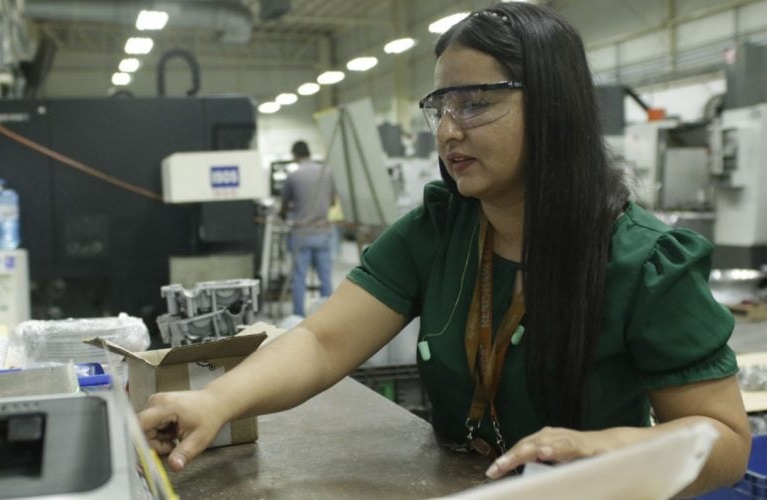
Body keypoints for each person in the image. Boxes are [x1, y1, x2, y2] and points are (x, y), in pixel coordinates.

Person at [138, 3, 750, 496]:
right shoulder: (439, 231)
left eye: (475, 103)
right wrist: (216, 400)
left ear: (553, 108)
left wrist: (611, 449)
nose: (449, 129)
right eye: (442, 106)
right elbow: (324, 343)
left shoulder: (644, 262)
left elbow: (725, 440)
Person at [279, 140, 336, 317]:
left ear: (295, 155)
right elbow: (332, 201)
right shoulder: (327, 172)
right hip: (323, 232)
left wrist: (283, 215)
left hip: (302, 233)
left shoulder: (294, 176)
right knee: (325, 277)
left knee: (299, 278)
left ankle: (298, 316)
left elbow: (285, 205)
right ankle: (328, 316)